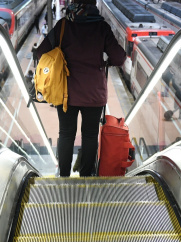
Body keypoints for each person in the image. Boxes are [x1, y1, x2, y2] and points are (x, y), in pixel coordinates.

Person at [36, 0, 126, 177]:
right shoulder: (102, 28)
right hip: (94, 94)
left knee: (66, 133)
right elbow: (119, 58)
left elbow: (40, 53)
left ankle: (63, 176)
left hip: (66, 93)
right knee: (90, 135)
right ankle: (86, 176)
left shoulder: (63, 26)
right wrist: (103, 60)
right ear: (94, 5)